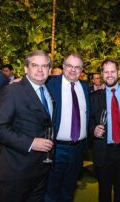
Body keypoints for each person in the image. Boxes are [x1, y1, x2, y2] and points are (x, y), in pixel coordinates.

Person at [0, 50, 54, 202]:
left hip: (40, 171)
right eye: (35, 65)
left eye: (44, 66)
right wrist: (31, 142)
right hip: (15, 172)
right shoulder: (13, 90)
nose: (40, 70)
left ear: (50, 70)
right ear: (26, 68)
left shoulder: (47, 91)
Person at [45, 53, 89, 202]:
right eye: (69, 65)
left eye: (77, 67)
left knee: (69, 189)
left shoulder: (85, 87)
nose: (73, 70)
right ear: (63, 66)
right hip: (56, 148)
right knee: (51, 189)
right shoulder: (50, 84)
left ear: (81, 70)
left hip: (78, 149)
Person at [89, 58, 120, 202]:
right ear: (102, 74)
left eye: (112, 71)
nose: (109, 75)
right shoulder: (94, 97)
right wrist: (93, 129)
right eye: (106, 71)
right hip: (104, 151)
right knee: (104, 192)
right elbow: (88, 120)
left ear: (118, 72)